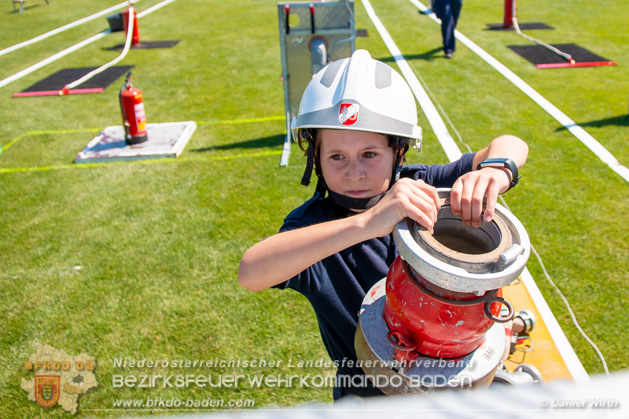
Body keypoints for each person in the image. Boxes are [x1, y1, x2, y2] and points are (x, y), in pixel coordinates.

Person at [238, 50, 528, 399]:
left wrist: (496, 169)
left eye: (370, 155)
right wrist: (369, 222)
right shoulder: (314, 225)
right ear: (315, 156)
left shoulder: (422, 184)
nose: (354, 172)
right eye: (336, 156)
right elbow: (251, 272)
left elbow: (511, 144)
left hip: (453, 387)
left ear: (399, 153)